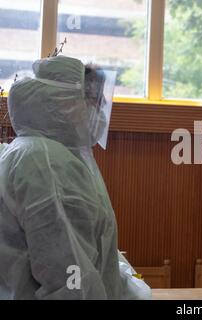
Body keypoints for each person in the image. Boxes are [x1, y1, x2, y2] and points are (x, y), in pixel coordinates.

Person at [0, 55, 151, 300]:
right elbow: (70, 276)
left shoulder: (44, 153)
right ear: (65, 103)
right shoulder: (46, 162)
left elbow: (99, 257)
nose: (99, 112)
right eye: (94, 102)